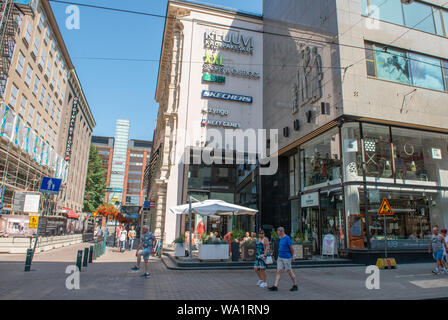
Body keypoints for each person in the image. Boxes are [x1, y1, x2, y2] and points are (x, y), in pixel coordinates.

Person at [268, 227, 298, 292]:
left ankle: (295, 285)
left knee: (289, 271)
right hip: (280, 257)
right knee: (278, 271)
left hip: (286, 257)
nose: (277, 233)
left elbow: (291, 248)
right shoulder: (280, 238)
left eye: (278, 232)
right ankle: (275, 286)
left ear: (281, 231)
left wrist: (293, 256)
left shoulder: (287, 238)